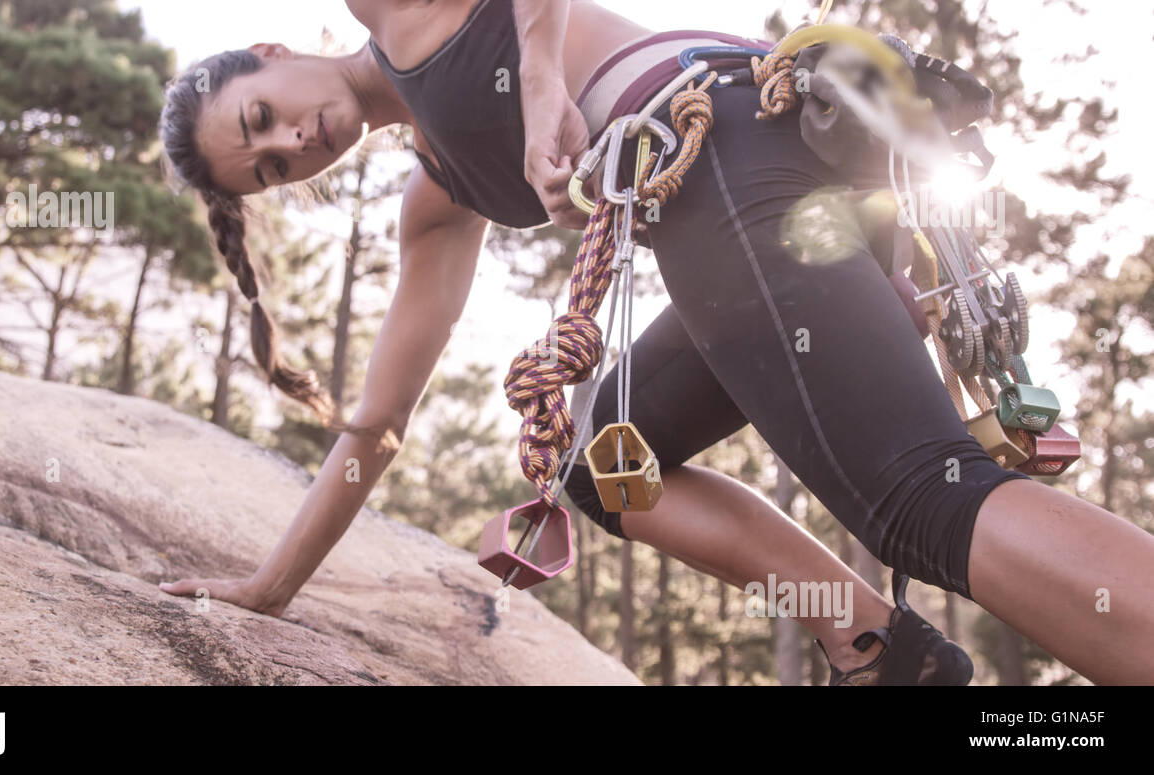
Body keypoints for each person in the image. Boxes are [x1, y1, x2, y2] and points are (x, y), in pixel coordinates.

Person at [157, 0, 1154, 684]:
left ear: (274, 52)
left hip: (735, 139)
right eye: (272, 170)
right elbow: (375, 427)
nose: (291, 145)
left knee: (918, 499)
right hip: (791, 180)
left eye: (262, 119)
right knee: (610, 469)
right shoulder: (441, 196)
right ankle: (883, 651)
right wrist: (269, 588)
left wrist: (544, 78)